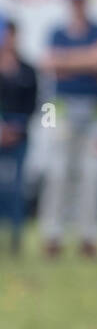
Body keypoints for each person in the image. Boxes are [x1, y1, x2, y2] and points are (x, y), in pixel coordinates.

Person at [40, 0, 97, 258]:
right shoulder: (57, 32)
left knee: (92, 173)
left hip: (95, 109)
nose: (77, 4)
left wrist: (67, 61)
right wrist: (86, 60)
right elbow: (49, 64)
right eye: (74, 0)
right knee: (58, 171)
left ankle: (89, 236)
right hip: (62, 108)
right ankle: (52, 234)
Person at [0, 17, 37, 254]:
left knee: (17, 188)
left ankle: (15, 238)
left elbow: (38, 104)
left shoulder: (28, 70)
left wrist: (17, 129)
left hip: (20, 135)